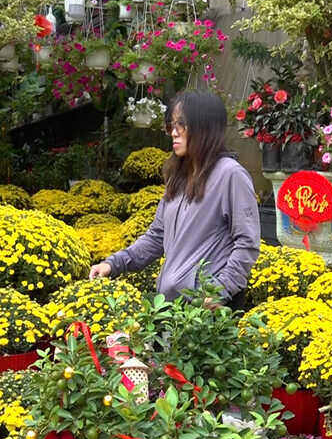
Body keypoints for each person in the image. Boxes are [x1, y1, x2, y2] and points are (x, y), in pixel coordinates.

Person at [89, 91, 260, 308]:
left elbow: (247, 242)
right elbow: (156, 237)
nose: (173, 132)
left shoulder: (231, 175)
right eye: (172, 124)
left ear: (204, 128)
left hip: (206, 312)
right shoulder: (177, 177)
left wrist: (219, 291)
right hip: (170, 308)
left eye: (182, 124)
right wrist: (113, 264)